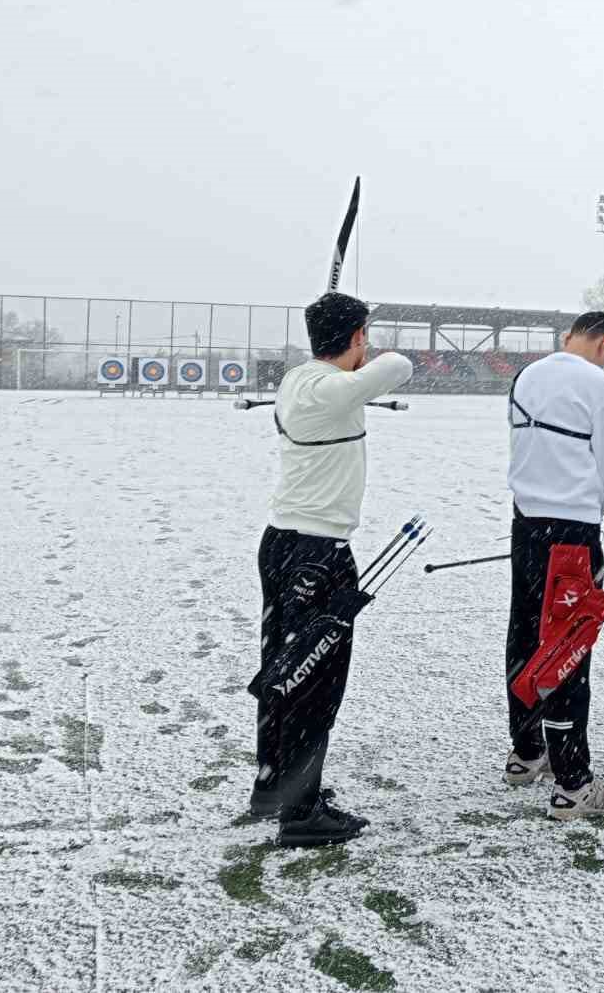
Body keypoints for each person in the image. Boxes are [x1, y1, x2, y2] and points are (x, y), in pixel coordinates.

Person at [252, 292, 412, 846]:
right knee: (313, 678)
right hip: (317, 555)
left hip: (283, 544)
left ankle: (274, 787)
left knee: (283, 665)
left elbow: (356, 374)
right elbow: (401, 366)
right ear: (357, 336)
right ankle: (300, 813)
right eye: (363, 334)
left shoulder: (301, 379)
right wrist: (364, 350)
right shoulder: (328, 388)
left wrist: (345, 345)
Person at [504, 311, 604, 820]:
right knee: (569, 648)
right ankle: (574, 782)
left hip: (526, 525)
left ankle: (528, 751)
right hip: (573, 533)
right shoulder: (600, 383)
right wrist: (593, 510)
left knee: (527, 634)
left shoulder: (527, 376)